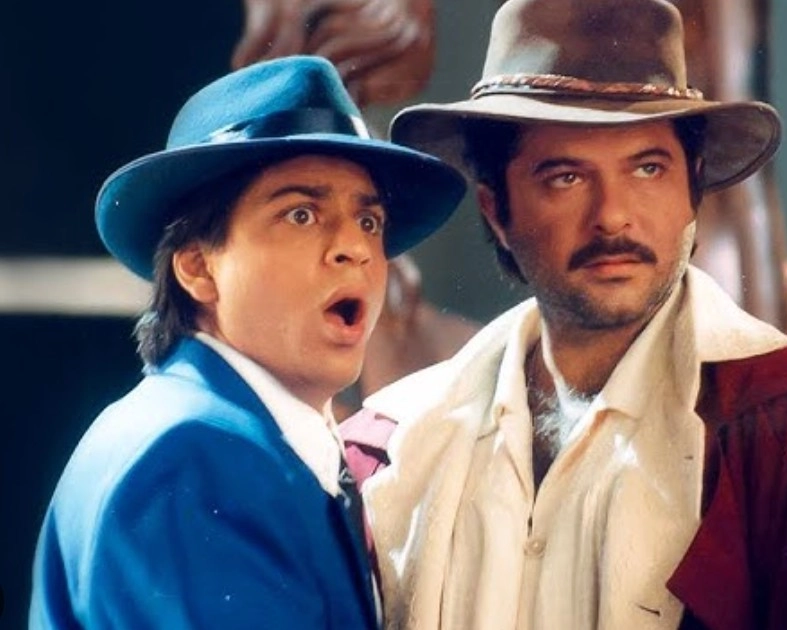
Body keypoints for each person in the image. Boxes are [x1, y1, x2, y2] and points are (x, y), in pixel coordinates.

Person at [341, 0, 787, 627]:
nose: (613, 215)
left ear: (693, 188)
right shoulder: (395, 443)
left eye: (648, 168)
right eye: (565, 176)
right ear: (497, 210)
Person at [29, 55, 464, 629]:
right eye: (301, 214)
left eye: (369, 222)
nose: (356, 249)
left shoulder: (239, 438)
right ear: (197, 267)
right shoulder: (191, 457)